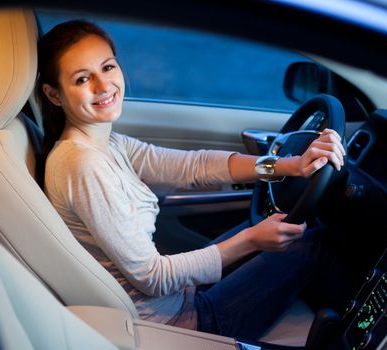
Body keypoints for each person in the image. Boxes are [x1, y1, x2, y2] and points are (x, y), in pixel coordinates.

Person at [36, 20, 346, 340]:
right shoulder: (82, 164)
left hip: (177, 298)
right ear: (54, 94)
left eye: (108, 67)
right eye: (83, 78)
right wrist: (252, 240)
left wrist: (290, 165)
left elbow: (193, 167)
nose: (103, 86)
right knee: (313, 244)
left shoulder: (106, 144)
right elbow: (152, 277)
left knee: (290, 229)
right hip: (178, 326)